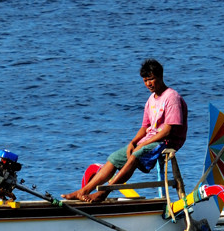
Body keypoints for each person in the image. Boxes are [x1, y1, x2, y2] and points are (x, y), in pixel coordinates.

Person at [62, 59, 188, 203]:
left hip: (166, 142)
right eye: (145, 80)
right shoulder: (150, 100)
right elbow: (145, 127)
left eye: (151, 79)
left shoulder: (172, 97)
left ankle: (102, 194)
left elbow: (167, 130)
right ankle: (83, 191)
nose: (148, 84)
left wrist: (140, 146)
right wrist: (133, 142)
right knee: (114, 158)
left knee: (135, 156)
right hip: (150, 140)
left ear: (160, 76)